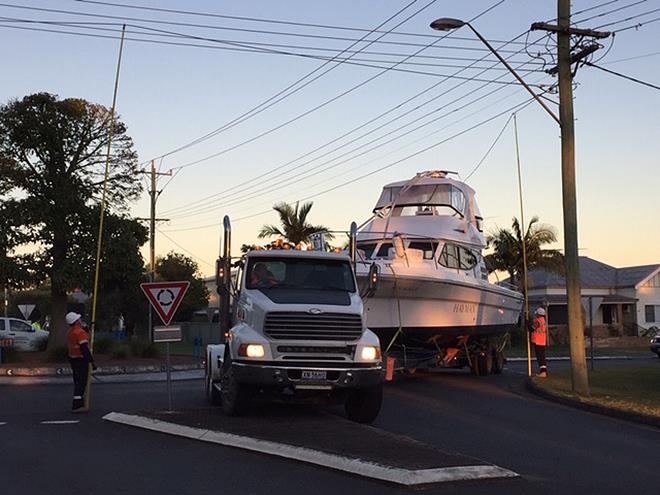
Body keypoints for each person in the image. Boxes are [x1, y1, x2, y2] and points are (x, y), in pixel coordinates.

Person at [66, 312, 96, 412]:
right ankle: (77, 406)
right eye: (79, 319)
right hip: (81, 360)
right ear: (76, 321)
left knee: (78, 381)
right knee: (81, 383)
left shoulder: (70, 332)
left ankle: (79, 403)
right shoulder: (79, 332)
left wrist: (86, 330)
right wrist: (91, 362)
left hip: (73, 360)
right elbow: (84, 348)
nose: (80, 320)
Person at [529, 307, 548, 378]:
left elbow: (532, 328)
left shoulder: (538, 321)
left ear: (539, 314)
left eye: (537, 313)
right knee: (541, 356)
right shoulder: (543, 321)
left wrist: (527, 323)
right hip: (541, 341)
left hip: (538, 341)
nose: (536, 315)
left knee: (540, 357)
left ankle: (543, 372)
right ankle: (543, 371)